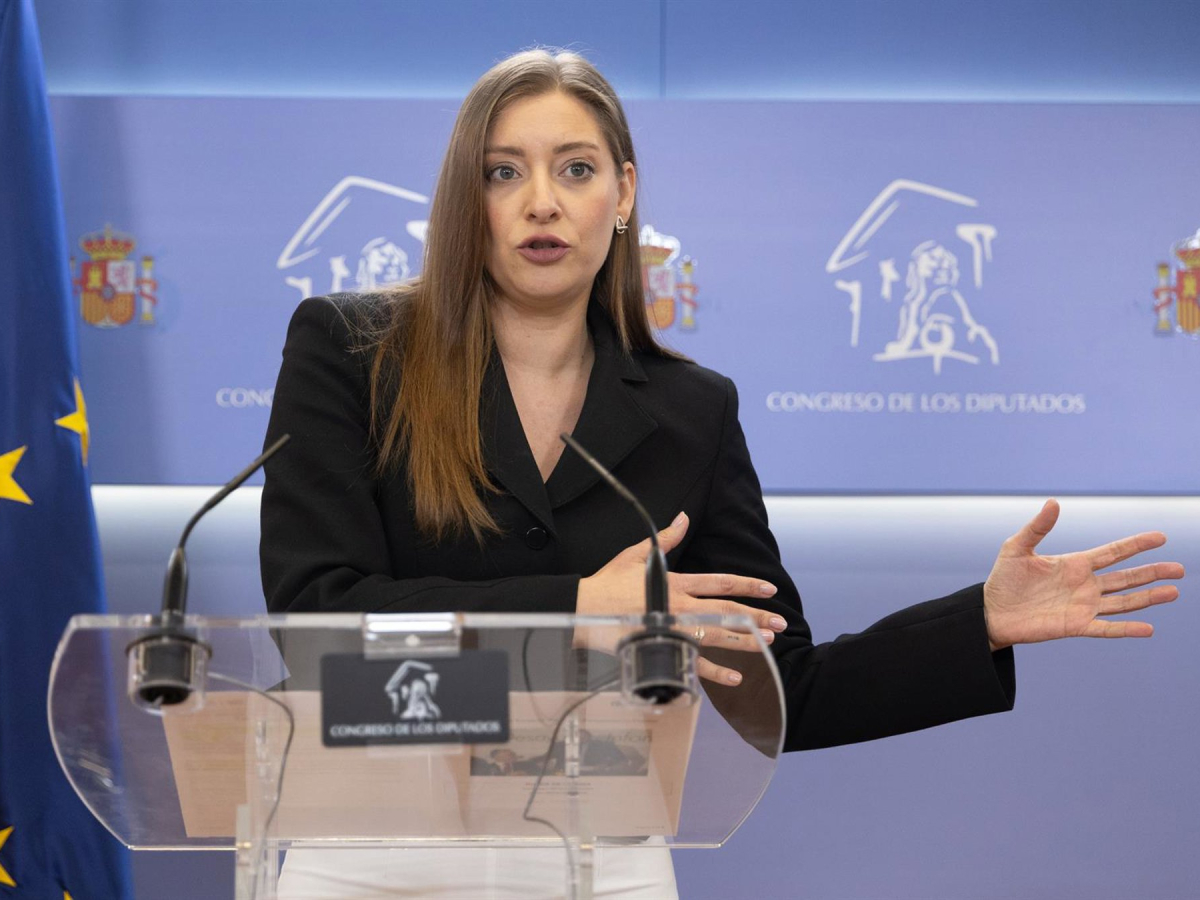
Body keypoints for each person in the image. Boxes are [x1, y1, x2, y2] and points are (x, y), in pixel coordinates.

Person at [260, 48, 1183, 900]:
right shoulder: (352, 352)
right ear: (467, 196)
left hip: (602, 860)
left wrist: (976, 622)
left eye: (576, 169)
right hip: (372, 852)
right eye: (504, 172)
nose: (542, 202)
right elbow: (315, 620)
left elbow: (784, 690)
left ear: (623, 193)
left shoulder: (689, 410)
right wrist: (576, 610)